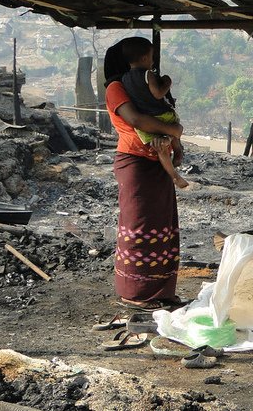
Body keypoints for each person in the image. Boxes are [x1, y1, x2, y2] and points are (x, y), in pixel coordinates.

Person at [104, 38, 186, 311]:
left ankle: (160, 290)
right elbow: (137, 120)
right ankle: (135, 292)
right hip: (135, 163)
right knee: (139, 227)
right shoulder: (116, 89)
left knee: (162, 226)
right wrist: (174, 131)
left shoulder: (135, 85)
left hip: (154, 162)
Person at [118, 36, 188, 188]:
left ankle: (174, 176)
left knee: (160, 150)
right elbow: (157, 94)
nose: (152, 62)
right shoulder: (147, 74)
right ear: (144, 58)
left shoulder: (124, 79)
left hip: (144, 124)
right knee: (174, 131)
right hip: (162, 115)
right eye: (151, 58)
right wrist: (167, 83)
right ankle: (178, 151)